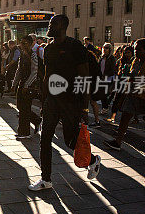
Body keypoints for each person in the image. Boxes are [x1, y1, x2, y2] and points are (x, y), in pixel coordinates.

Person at [29, 14, 101, 191]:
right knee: (45, 138)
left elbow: (85, 76)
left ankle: (93, 160)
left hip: (72, 101)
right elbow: (47, 77)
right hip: (53, 100)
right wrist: (44, 101)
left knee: (70, 141)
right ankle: (46, 179)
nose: (49, 26)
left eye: (53, 23)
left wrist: (84, 107)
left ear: (63, 26)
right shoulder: (49, 48)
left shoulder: (75, 46)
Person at [105, 38, 145, 151]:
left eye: (138, 49)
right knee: (125, 117)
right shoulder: (135, 61)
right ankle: (118, 142)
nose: (136, 51)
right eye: (135, 49)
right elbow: (131, 76)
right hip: (133, 95)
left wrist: (137, 83)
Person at [12, 34, 41, 139]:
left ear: (30, 44)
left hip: (29, 85)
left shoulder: (33, 55)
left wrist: (27, 85)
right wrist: (14, 83)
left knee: (25, 108)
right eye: (21, 43)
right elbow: (19, 70)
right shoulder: (22, 55)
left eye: (25, 43)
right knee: (20, 106)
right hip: (22, 84)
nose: (22, 45)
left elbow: (35, 71)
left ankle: (25, 132)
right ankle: (36, 120)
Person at [109, 44, 134, 122]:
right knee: (116, 101)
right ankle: (113, 117)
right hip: (121, 83)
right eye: (125, 52)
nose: (127, 54)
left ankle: (133, 119)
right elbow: (116, 72)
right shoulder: (120, 60)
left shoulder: (135, 61)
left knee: (129, 104)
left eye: (128, 52)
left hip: (130, 84)